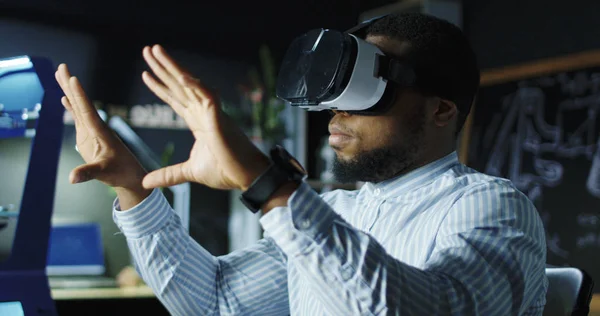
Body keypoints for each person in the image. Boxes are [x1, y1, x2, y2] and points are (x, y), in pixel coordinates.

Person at [55, 13, 547, 315]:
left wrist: (268, 185)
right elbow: (215, 303)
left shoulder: (492, 206)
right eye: (336, 94)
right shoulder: (338, 213)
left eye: (366, 89)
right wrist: (133, 190)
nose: (338, 110)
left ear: (441, 110)